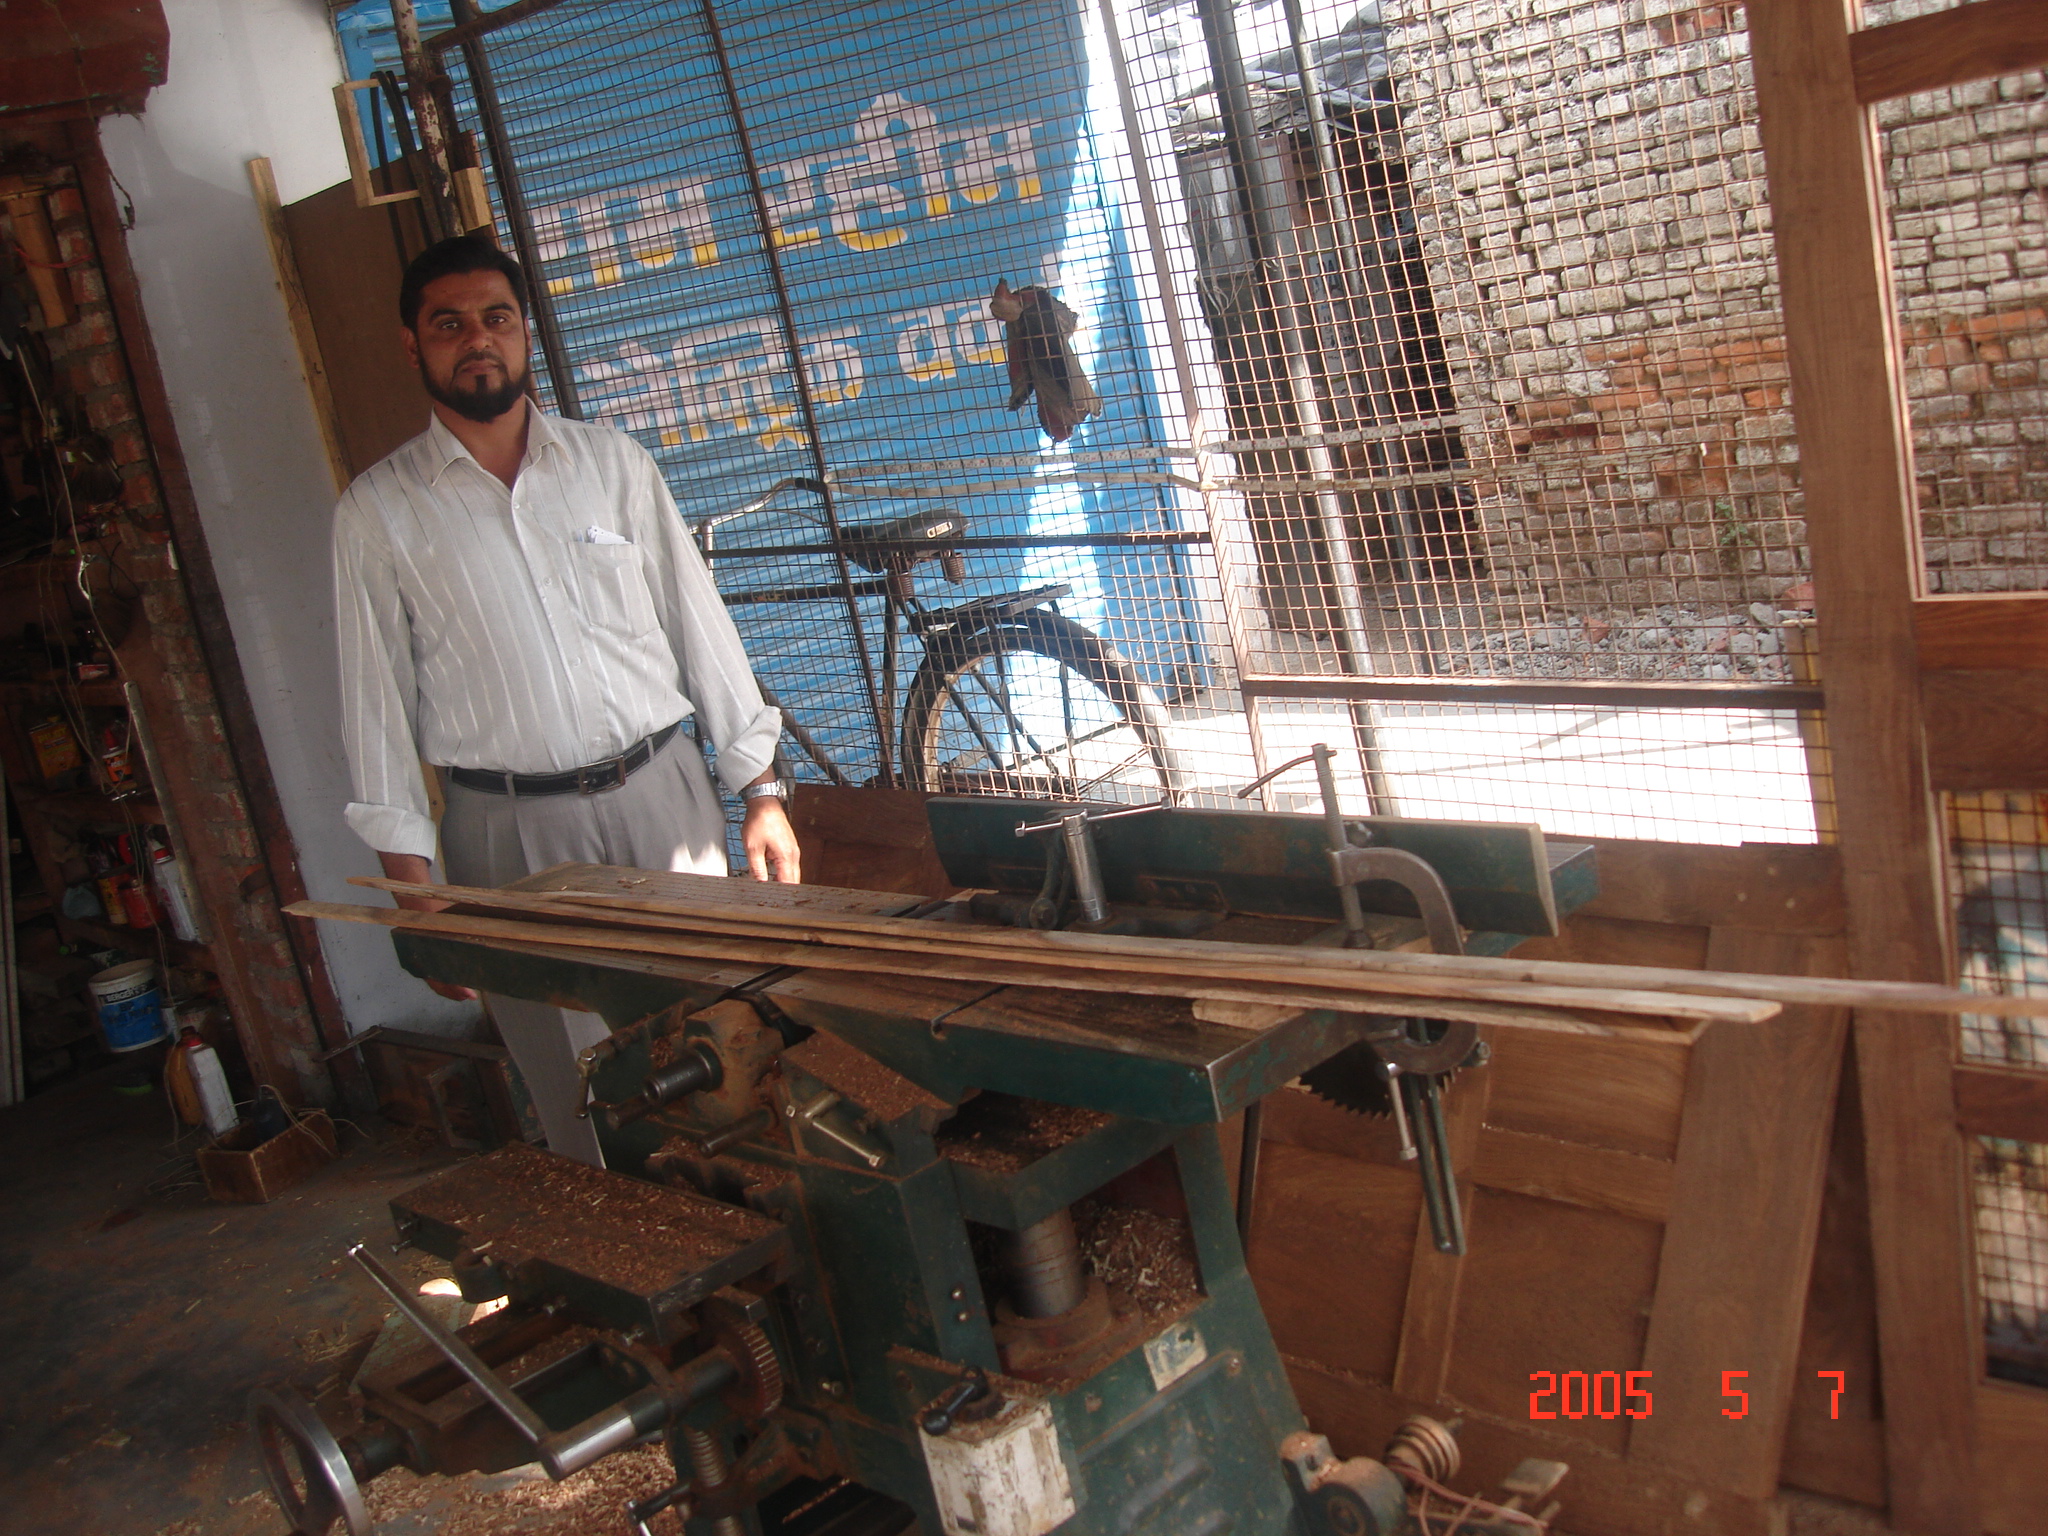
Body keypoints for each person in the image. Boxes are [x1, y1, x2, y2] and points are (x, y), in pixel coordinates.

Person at [332, 234, 800, 1165]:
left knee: (720, 1045)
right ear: (412, 345)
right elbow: (372, 703)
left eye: (496, 318)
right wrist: (413, 891)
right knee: (584, 1093)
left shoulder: (611, 464)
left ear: (525, 332)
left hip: (663, 796)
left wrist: (760, 789)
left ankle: (756, 1226)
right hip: (508, 836)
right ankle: (634, 1247)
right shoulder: (377, 513)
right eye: (449, 324)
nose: (477, 339)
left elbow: (698, 625)